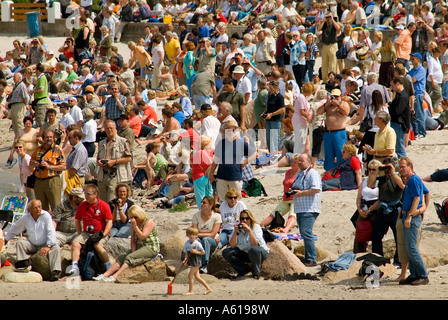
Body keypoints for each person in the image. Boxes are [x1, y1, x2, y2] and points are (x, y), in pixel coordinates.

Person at [93, 205, 160, 282]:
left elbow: (142, 236)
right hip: (140, 246)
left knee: (130, 258)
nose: (133, 219)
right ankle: (105, 274)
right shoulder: (134, 223)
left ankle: (115, 276)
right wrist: (133, 251)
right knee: (122, 258)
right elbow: (133, 240)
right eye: (131, 217)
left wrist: (135, 226)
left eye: (135, 217)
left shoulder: (148, 222)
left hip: (150, 247)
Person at [5, 200, 61, 281]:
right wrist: (6, 239)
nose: (38, 209)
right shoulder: (26, 218)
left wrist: (48, 246)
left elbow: (51, 230)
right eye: (35, 208)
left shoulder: (46, 215)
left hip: (45, 243)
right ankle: (23, 266)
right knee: (20, 243)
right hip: (32, 244)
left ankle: (55, 272)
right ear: (30, 209)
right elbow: (16, 227)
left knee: (56, 247)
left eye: (39, 207)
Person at [397, 157, 429, 285]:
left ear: (410, 167)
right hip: (407, 215)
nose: (401, 168)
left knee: (411, 248)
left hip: (412, 217)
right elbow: (426, 192)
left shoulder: (414, 179)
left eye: (404, 166)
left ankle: (422, 274)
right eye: (400, 166)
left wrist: (412, 214)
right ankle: (414, 274)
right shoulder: (411, 180)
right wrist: (424, 207)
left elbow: (417, 198)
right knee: (409, 247)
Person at [69, 184, 113, 275]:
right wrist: (80, 233)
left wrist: (104, 234)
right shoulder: (83, 205)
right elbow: (77, 220)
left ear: (95, 194)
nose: (86, 196)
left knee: (97, 245)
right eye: (85, 193)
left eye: (88, 194)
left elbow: (109, 221)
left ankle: (108, 265)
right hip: (86, 232)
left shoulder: (103, 205)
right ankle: (74, 266)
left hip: (100, 232)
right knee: (75, 243)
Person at [208, 120, 256, 202]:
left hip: (235, 177)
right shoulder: (221, 143)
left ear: (235, 131)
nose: (231, 132)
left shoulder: (240, 143)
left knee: (236, 202)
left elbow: (255, 154)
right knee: (223, 202)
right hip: (221, 178)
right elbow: (215, 160)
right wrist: (211, 173)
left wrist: (244, 163)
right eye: (228, 130)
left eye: (233, 130)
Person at [288, 153, 321, 266]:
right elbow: (297, 187)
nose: (299, 163)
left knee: (306, 232)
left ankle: (312, 259)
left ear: (309, 162)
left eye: (302, 161)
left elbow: (316, 189)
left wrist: (301, 193)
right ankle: (308, 257)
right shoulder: (299, 174)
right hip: (300, 208)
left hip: (310, 208)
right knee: (303, 233)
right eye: (298, 161)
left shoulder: (313, 173)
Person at [371, 157, 405, 266]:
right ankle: (378, 259)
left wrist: (392, 172)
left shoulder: (398, 177)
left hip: (395, 210)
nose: (387, 170)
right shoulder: (381, 179)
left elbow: (402, 186)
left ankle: (398, 260)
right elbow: (370, 185)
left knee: (398, 237)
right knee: (376, 236)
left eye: (389, 166)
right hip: (383, 210)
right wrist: (377, 171)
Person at [222, 209, 269, 279]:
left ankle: (256, 273)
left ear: (250, 219)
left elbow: (255, 244)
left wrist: (249, 230)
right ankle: (243, 269)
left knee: (253, 249)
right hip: (245, 253)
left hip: (259, 252)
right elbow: (232, 245)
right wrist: (235, 232)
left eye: (246, 218)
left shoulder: (255, 227)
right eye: (242, 218)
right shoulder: (238, 228)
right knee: (226, 252)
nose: (244, 220)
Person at [260, 153, 299, 233]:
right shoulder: (288, 172)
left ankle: (286, 229)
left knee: (292, 216)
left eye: (295, 163)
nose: (293, 164)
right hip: (285, 199)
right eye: (292, 162)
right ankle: (258, 226)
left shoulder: (300, 174)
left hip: (295, 199)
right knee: (273, 215)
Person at [30, 129, 66, 213]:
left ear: (54, 138)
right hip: (39, 181)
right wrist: (35, 164)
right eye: (46, 137)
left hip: (52, 180)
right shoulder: (38, 149)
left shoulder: (58, 150)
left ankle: (56, 225)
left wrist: (49, 166)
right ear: (43, 138)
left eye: (51, 137)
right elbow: (30, 163)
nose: (49, 139)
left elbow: (63, 167)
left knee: (56, 207)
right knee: (40, 209)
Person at [97, 120, 132, 202]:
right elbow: (98, 158)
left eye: (111, 128)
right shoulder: (101, 143)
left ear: (115, 129)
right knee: (102, 202)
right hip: (102, 175)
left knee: (112, 201)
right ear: (104, 129)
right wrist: (99, 162)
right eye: (107, 128)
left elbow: (128, 158)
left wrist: (114, 162)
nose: (109, 130)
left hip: (115, 175)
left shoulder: (123, 141)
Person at [316, 88, 350, 171]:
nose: (334, 98)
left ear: (340, 96)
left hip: (339, 133)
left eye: (336, 97)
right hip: (328, 133)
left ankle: (341, 172)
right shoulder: (328, 105)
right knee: (328, 155)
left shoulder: (344, 104)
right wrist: (326, 104)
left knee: (340, 153)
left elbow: (346, 112)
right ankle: (329, 172)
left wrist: (338, 105)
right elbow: (318, 112)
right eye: (333, 97)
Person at [353, 159, 381, 253]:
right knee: (360, 234)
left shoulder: (380, 182)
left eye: (374, 169)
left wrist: (369, 210)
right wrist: (359, 209)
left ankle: (376, 255)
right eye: (370, 169)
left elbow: (380, 199)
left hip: (375, 210)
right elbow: (358, 197)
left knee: (375, 235)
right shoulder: (364, 181)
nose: (371, 171)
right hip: (363, 209)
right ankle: (358, 254)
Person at [191, 196, 222, 273]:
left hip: (211, 240)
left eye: (204, 202)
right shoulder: (196, 215)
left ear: (210, 205)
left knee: (206, 240)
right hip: (201, 238)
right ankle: (194, 263)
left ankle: (204, 264)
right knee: (196, 241)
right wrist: (198, 235)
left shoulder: (217, 216)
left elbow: (213, 234)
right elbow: (194, 232)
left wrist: (199, 234)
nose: (201, 204)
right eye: (201, 202)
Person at [359, 90, 389, 166]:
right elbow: (388, 121)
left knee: (369, 152)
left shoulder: (369, 108)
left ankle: (370, 168)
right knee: (379, 151)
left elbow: (364, 118)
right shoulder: (384, 108)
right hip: (381, 131)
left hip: (370, 132)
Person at [181, 226, 213, 295]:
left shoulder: (197, 244)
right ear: (187, 235)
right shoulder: (187, 243)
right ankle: (208, 288)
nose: (192, 236)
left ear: (196, 236)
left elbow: (203, 252)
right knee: (197, 277)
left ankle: (191, 291)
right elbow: (186, 252)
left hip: (196, 262)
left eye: (193, 235)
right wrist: (185, 259)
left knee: (190, 276)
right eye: (190, 234)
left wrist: (195, 252)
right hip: (192, 261)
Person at [388, 76, 411, 159]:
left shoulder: (403, 96)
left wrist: (388, 108)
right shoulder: (399, 95)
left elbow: (397, 111)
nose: (392, 88)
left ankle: (405, 163)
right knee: (397, 146)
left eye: (392, 85)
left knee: (400, 147)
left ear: (397, 84)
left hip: (399, 123)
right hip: (396, 123)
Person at [191, 135, 214, 209]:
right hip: (209, 176)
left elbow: (191, 161)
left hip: (199, 176)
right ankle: (210, 210)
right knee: (209, 195)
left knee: (200, 197)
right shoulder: (212, 151)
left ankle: (202, 212)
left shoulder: (199, 152)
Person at [317, 11, 341, 84]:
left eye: (329, 17)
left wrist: (332, 19)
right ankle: (325, 79)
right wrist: (323, 21)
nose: (328, 19)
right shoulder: (324, 24)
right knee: (324, 63)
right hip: (325, 45)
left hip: (332, 44)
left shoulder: (333, 24)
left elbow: (338, 28)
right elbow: (318, 29)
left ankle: (332, 78)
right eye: (327, 17)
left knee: (332, 63)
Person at [6, 72, 29, 145]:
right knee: (15, 124)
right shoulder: (16, 86)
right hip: (14, 105)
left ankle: (21, 140)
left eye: (15, 78)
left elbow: (25, 96)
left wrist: (25, 104)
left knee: (19, 123)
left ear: (19, 78)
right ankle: (17, 139)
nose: (13, 79)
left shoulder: (22, 85)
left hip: (19, 105)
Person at [408, 52, 427, 140]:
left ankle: (422, 132)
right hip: (412, 93)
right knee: (413, 113)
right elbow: (407, 77)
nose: (411, 60)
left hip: (418, 93)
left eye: (413, 59)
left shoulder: (421, 70)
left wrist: (409, 78)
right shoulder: (413, 70)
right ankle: (416, 131)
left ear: (418, 60)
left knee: (419, 113)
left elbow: (413, 80)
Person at [292, 82, 313, 155]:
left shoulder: (303, 97)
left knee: (302, 141)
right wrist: (311, 118)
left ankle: (299, 156)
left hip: (302, 121)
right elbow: (302, 112)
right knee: (300, 141)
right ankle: (297, 157)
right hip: (299, 121)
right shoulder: (301, 97)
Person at [264, 80, 285, 153]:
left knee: (275, 138)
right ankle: (271, 154)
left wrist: (272, 114)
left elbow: (282, 109)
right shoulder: (270, 96)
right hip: (268, 120)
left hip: (275, 120)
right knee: (268, 138)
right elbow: (268, 107)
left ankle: (276, 154)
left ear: (276, 88)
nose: (270, 90)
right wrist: (264, 113)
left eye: (271, 88)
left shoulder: (279, 97)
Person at [65, 129, 88, 194]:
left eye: (69, 138)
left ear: (76, 138)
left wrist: (67, 178)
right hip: (72, 179)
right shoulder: (75, 149)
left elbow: (74, 169)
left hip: (76, 179)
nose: (68, 140)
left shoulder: (80, 150)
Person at [32, 63, 50, 128]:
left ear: (38, 70)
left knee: (40, 121)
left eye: (35, 69)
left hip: (41, 101)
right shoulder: (41, 78)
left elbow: (41, 89)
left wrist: (34, 91)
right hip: (41, 101)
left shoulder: (42, 78)